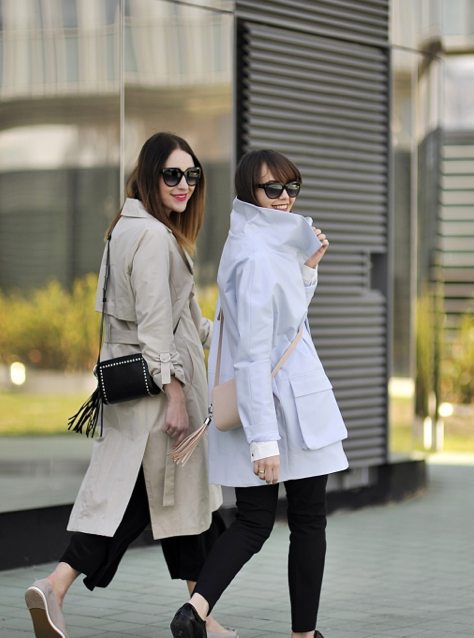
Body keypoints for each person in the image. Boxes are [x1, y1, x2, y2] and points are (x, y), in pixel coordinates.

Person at [24, 132, 235, 638]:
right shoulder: (154, 238)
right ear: (149, 175)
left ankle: (199, 618)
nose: (183, 184)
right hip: (159, 403)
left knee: (179, 509)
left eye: (192, 175)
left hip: (134, 397)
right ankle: (56, 584)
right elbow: (155, 325)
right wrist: (177, 394)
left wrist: (238, 330)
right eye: (172, 174)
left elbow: (186, 322)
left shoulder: (127, 228)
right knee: (157, 505)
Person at [169, 149, 349, 638]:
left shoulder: (257, 242)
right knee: (304, 521)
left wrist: (307, 270)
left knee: (254, 521)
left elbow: (281, 324)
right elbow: (251, 353)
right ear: (251, 191)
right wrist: (263, 441)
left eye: (292, 188)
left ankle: (196, 613)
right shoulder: (254, 253)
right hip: (282, 410)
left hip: (281, 406)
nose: (286, 198)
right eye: (274, 189)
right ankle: (299, 635)